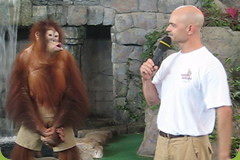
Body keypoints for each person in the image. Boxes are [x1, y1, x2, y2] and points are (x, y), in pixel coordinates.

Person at [140, 5, 232, 160]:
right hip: (162, 144)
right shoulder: (169, 60)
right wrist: (146, 79)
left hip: (191, 147)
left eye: (173, 25)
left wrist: (223, 155)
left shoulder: (209, 64)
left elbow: (224, 110)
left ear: (190, 29)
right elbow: (152, 100)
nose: (168, 29)